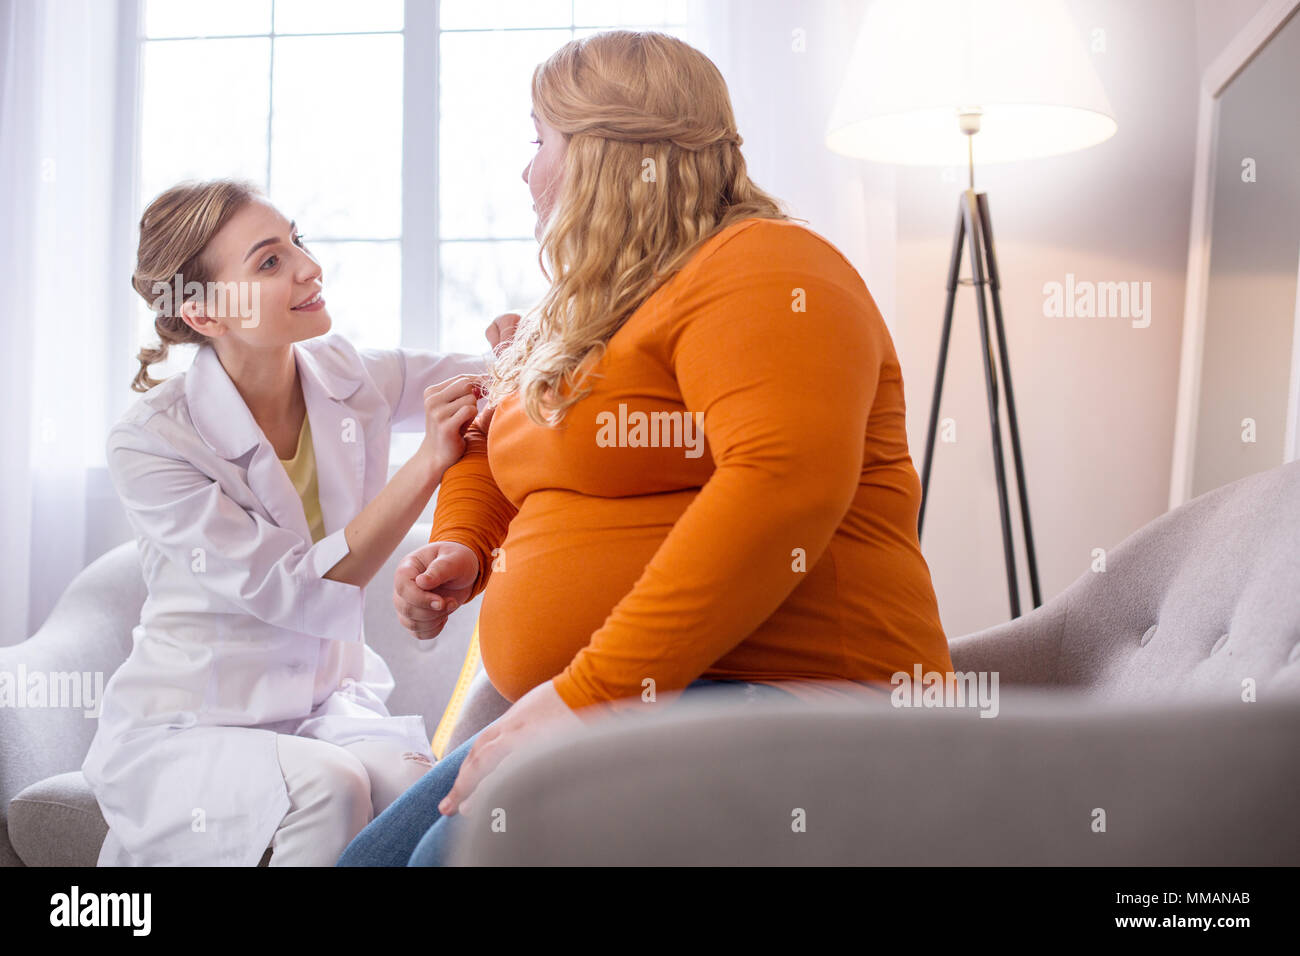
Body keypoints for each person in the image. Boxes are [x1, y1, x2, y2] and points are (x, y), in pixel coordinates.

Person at [340, 29, 953, 867]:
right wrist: (465, 543)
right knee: (368, 862)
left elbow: (783, 487)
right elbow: (492, 442)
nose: (525, 172)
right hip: (650, 700)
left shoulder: (766, 267)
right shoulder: (585, 311)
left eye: (539, 141)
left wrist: (592, 695)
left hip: (800, 698)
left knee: (455, 852)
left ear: (605, 152)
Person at [83, 179, 515, 866]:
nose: (308, 267)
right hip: (194, 722)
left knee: (422, 790)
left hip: (327, 706)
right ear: (202, 314)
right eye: (269, 261)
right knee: (330, 787)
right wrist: (429, 460)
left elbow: (497, 377)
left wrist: (527, 340)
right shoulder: (153, 441)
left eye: (296, 242)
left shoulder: (343, 374)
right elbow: (300, 590)